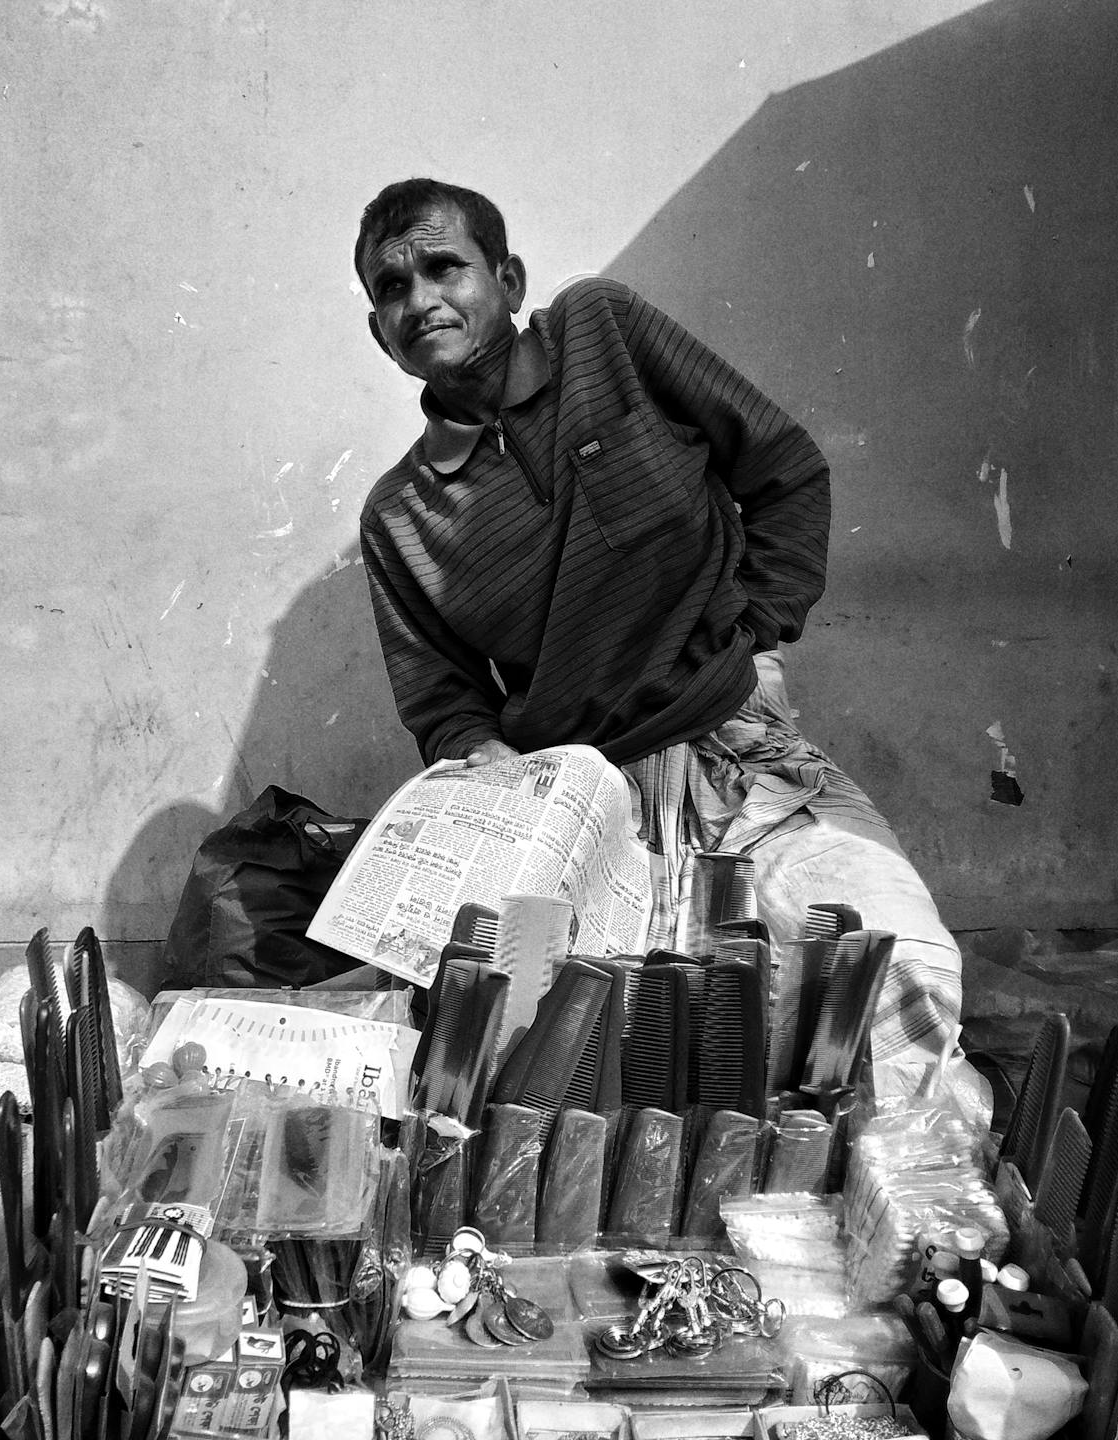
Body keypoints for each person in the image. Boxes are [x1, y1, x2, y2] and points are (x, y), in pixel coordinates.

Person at [354, 177, 969, 1104]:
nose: (421, 300)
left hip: (741, 763)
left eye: (445, 267)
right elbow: (444, 703)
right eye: (392, 288)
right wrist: (500, 780)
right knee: (626, 1078)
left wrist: (760, 634)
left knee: (893, 990)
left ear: (510, 280)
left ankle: (931, 1230)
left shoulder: (606, 333)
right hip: (587, 809)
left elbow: (784, 468)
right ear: (380, 334)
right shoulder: (399, 514)